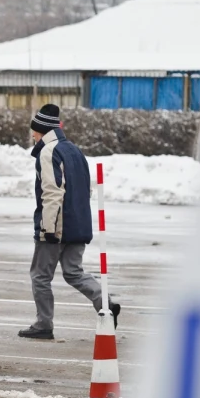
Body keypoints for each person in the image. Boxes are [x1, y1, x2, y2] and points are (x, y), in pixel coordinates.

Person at [18, 104, 120, 340]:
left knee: (40, 276)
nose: (32, 135)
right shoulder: (74, 150)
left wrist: (48, 228)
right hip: (78, 225)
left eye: (34, 131)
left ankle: (44, 324)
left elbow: (52, 192)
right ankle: (105, 303)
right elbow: (85, 190)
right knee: (74, 272)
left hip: (57, 226)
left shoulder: (48, 152)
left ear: (42, 130)